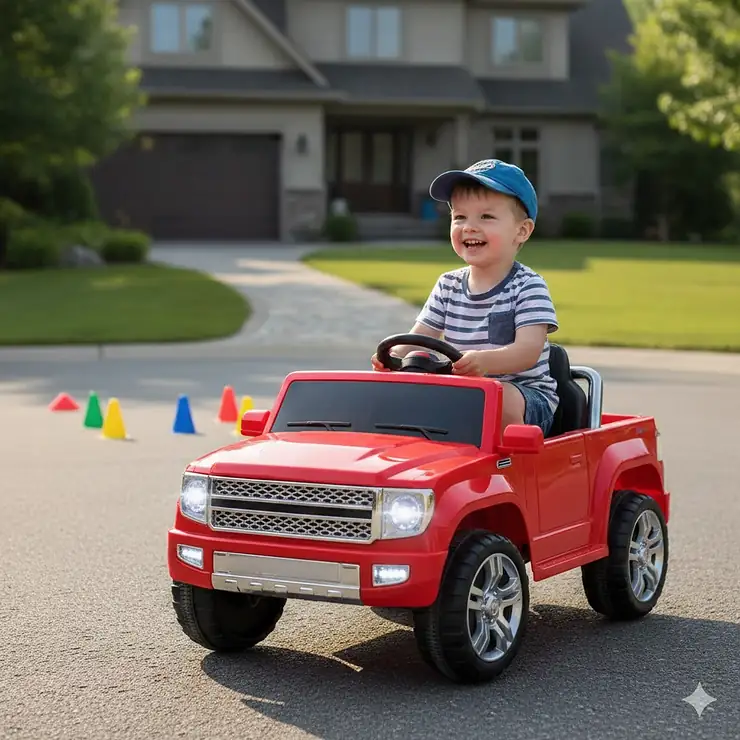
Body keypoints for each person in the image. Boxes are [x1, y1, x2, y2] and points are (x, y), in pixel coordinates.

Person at [371, 158, 559, 436]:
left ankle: (503, 464)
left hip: (525, 397)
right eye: (460, 217)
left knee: (495, 399)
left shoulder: (528, 286)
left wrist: (485, 362)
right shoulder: (448, 284)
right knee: (399, 395)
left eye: (486, 217)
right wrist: (390, 356)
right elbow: (419, 336)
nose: (469, 227)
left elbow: (527, 352)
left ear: (522, 231)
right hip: (463, 393)